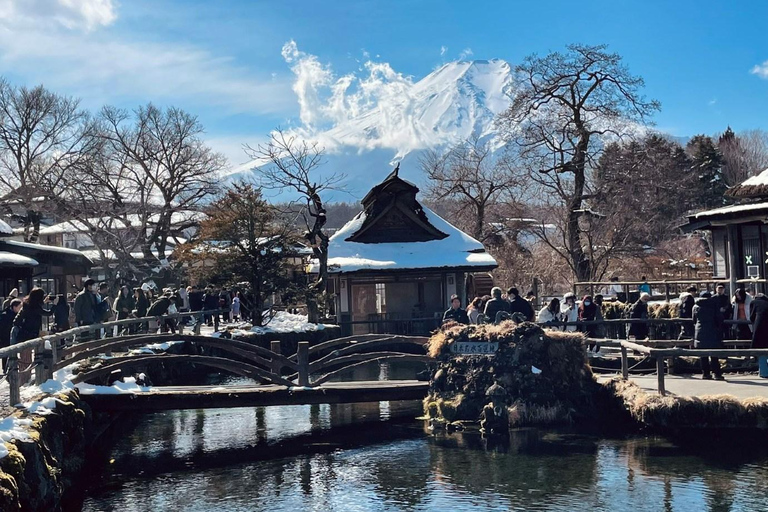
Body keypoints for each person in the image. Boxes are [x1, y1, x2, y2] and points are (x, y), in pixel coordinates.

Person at [693, 291, 725, 380]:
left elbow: (694, 319)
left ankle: (705, 373)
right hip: (712, 331)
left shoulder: (696, 306)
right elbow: (719, 318)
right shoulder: (714, 305)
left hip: (700, 331)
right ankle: (717, 374)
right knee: (714, 354)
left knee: (703, 355)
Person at [0, 299, 22, 372]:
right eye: (19, 307)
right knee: (6, 353)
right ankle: (6, 369)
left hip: (10, 336)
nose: (20, 309)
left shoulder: (14, 314)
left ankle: (10, 368)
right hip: (4, 336)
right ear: (14, 307)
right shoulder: (6, 314)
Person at [750, 293, 768, 378]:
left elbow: (752, 316)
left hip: (759, 328)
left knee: (761, 350)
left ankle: (764, 372)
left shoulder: (754, 302)